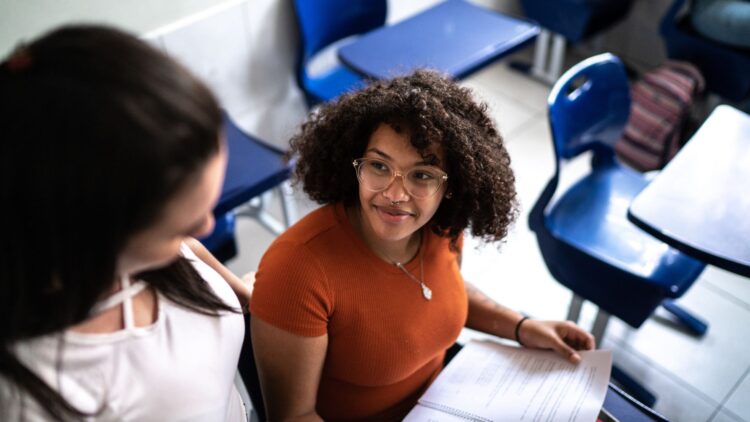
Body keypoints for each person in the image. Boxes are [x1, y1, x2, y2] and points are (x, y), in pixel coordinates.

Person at [250, 71, 596, 421]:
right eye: (379, 166)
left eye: (422, 175)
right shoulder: (297, 269)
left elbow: (437, 291)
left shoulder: (442, 226)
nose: (395, 195)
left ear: (450, 185)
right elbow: (293, 417)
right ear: (354, 163)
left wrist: (521, 327)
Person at [0, 25, 253, 420]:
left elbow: (188, 255)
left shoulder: (149, 255)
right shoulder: (32, 399)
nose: (207, 226)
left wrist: (244, 294)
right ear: (91, 235)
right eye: (179, 227)